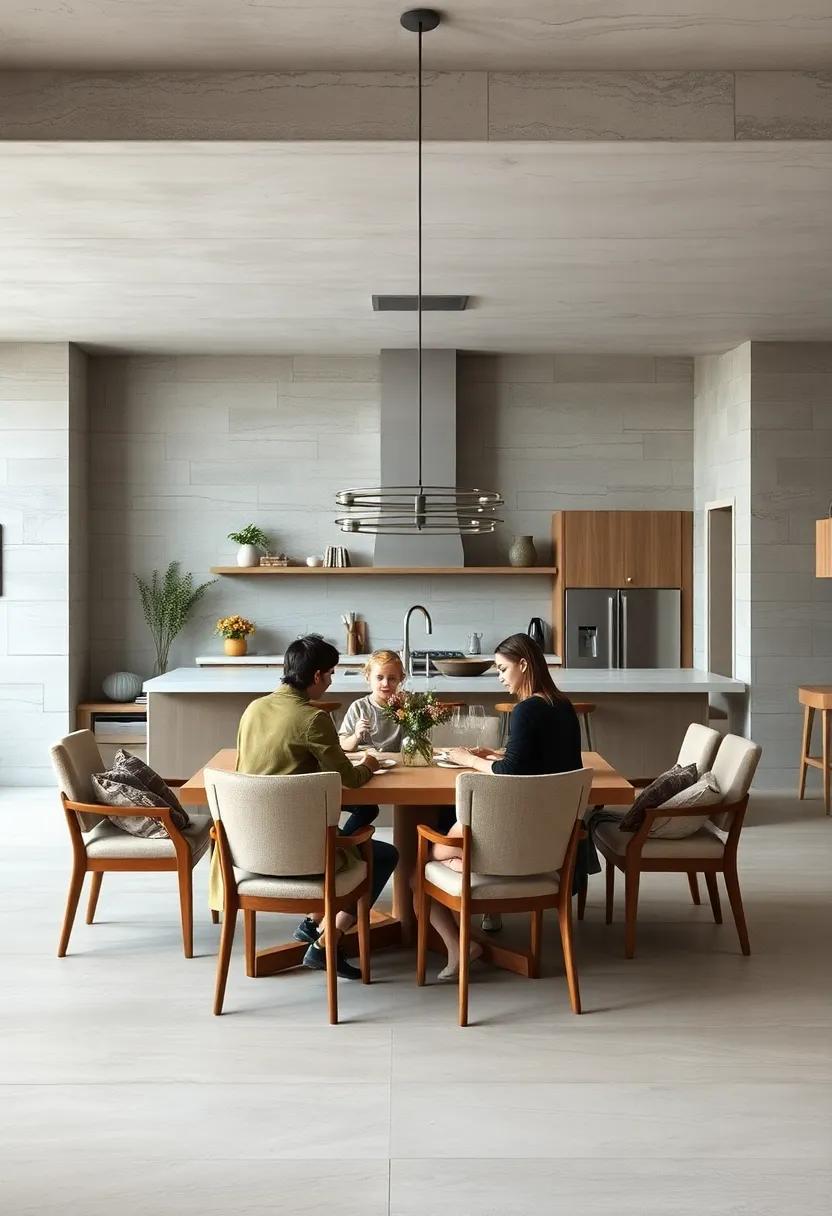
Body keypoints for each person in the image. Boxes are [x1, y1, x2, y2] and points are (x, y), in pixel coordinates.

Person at [235, 634, 399, 980]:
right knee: (382, 855)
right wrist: (369, 763)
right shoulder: (313, 719)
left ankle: (313, 924)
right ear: (318, 676)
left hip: (252, 846)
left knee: (360, 828)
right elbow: (350, 779)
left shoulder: (254, 708)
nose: (331, 680)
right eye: (331, 674)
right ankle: (327, 943)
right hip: (302, 850)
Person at [426, 633, 586, 980]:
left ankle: (461, 939)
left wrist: (467, 757)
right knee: (448, 838)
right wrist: (497, 755)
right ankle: (487, 909)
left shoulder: (527, 710)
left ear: (524, 665)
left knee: (424, 856)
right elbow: (546, 764)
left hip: (510, 840)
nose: (499, 676)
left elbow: (512, 773)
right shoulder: (562, 706)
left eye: (502, 668)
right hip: (547, 842)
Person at [337, 649, 406, 836]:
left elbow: (419, 742)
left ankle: (345, 846)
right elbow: (344, 745)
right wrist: (356, 736)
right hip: (366, 769)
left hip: (398, 769)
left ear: (401, 679)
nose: (385, 684)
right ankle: (344, 845)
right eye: (379, 677)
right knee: (369, 808)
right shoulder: (359, 707)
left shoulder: (405, 708)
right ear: (368, 677)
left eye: (392, 678)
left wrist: (412, 716)